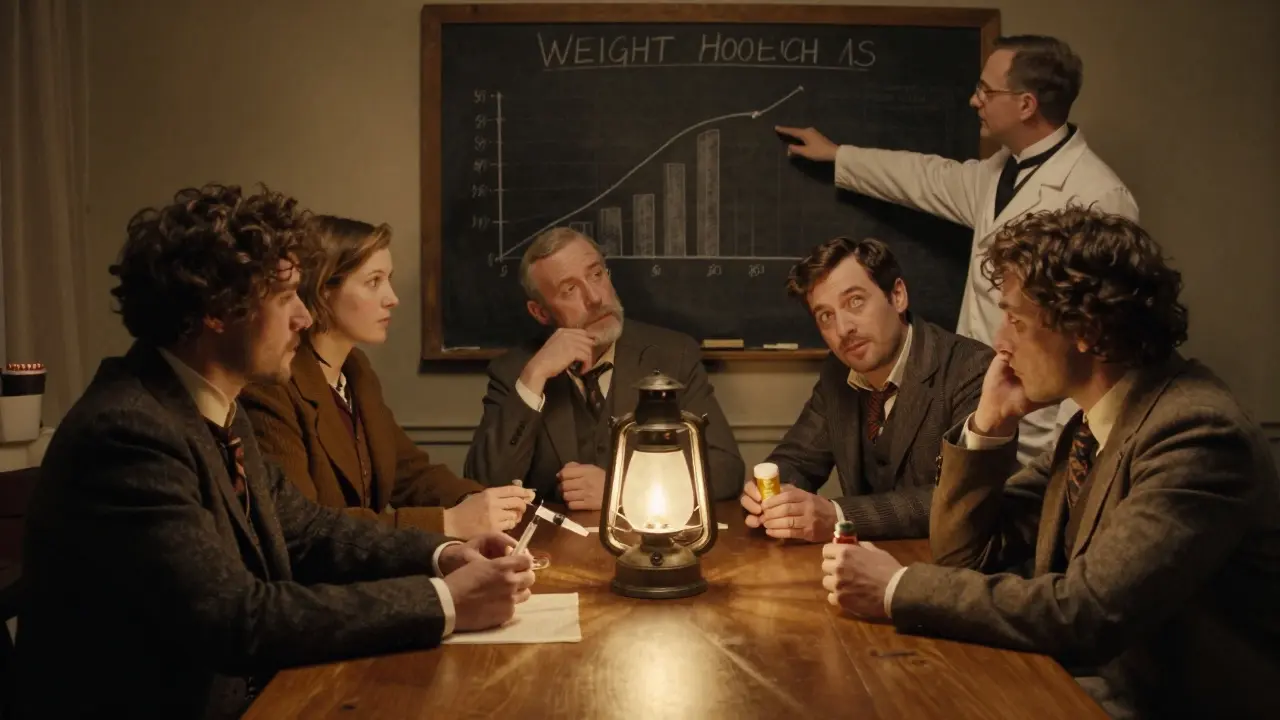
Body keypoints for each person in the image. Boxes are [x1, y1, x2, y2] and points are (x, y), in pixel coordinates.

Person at [12, 185, 535, 719]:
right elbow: (236, 619)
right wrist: (445, 602)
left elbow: (306, 528)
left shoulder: (212, 405)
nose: (305, 319)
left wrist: (441, 555)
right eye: (285, 297)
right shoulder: (128, 432)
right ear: (219, 309)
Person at [819, 207, 1280, 719]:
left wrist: (896, 588)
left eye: (1015, 320)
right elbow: (964, 556)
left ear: (1084, 327)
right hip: (1084, 685)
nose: (1000, 343)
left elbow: (1087, 613)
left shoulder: (1195, 433)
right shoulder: (1090, 426)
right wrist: (987, 428)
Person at [777, 35, 1137, 468]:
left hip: (1044, 428)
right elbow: (926, 177)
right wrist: (839, 156)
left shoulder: (1099, 195)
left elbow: (1100, 340)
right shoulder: (1000, 171)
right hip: (979, 404)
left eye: (986, 91)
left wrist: (1062, 452)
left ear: (1026, 105)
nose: (973, 100)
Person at [241, 215, 533, 538]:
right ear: (323, 290)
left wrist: (479, 501)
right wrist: (448, 522)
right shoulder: (273, 386)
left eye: (388, 280)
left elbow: (410, 473)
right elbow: (302, 531)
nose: (392, 298)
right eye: (374, 281)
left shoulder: (357, 370)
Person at [465, 227, 745, 509]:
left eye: (596, 275)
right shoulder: (515, 371)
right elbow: (482, 487)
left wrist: (623, 487)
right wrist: (533, 377)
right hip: (551, 549)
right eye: (570, 289)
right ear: (540, 312)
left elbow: (726, 471)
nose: (595, 298)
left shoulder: (673, 355)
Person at [740, 237, 991, 541]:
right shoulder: (837, 371)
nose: (843, 329)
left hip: (950, 574)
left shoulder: (971, 368)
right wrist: (770, 494)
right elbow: (797, 460)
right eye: (825, 316)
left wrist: (839, 516)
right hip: (861, 570)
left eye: (855, 301)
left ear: (897, 296)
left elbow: (959, 499)